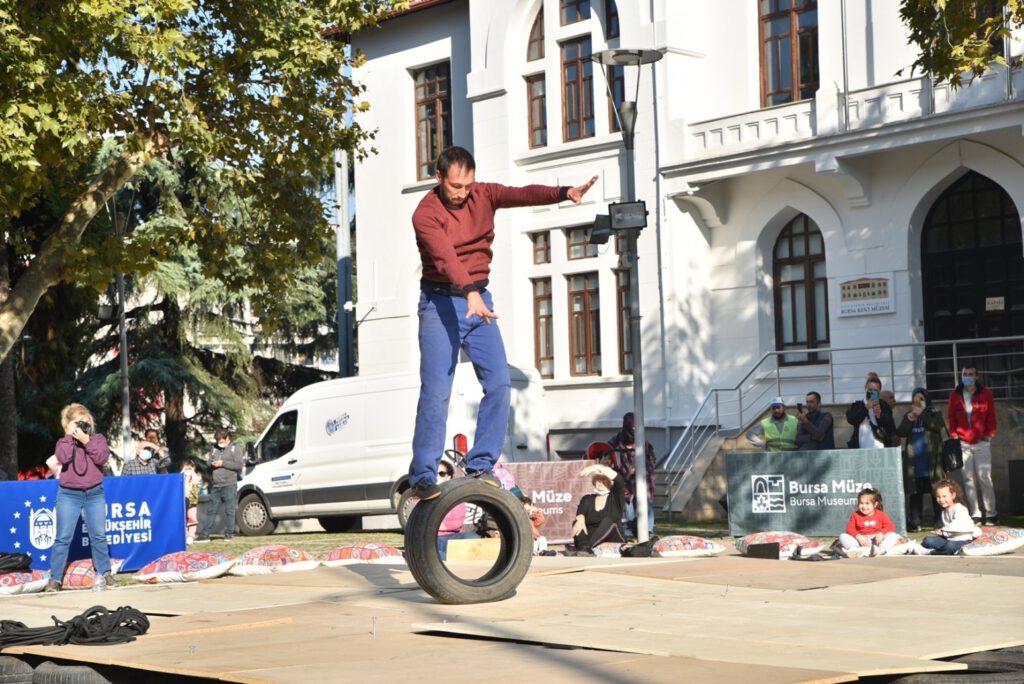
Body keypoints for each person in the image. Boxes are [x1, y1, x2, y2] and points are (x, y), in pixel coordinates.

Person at [407, 146, 597, 501]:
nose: (462, 193)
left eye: (468, 185)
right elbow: (446, 259)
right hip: (440, 305)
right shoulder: (426, 214)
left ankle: (481, 463)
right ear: (439, 177)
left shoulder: (485, 194)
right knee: (436, 392)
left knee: (498, 382)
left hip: (480, 302)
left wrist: (563, 192)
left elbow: (522, 194)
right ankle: (422, 475)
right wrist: (469, 293)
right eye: (455, 186)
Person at [45, 403, 115, 593]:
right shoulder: (63, 442)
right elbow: (63, 458)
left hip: (94, 493)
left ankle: (105, 574)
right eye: (78, 422)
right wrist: (69, 436)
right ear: (69, 424)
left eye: (86, 421)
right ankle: (55, 579)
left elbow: (101, 458)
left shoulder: (98, 439)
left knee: (98, 536)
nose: (83, 425)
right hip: (69, 494)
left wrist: (86, 440)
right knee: (63, 538)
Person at [947, 362, 998, 525]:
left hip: (982, 442)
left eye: (970, 374)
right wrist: (954, 435)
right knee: (968, 480)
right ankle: (975, 513)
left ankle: (991, 513)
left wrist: (989, 435)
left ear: (976, 376)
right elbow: (951, 417)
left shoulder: (986, 393)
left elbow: (991, 415)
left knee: (985, 478)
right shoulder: (954, 394)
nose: (967, 377)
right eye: (965, 374)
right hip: (963, 443)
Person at [896, 387, 945, 532]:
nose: (918, 402)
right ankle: (915, 522)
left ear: (927, 400)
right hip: (915, 463)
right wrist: (910, 419)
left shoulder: (934, 413)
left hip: (932, 462)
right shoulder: (909, 414)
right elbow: (901, 432)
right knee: (915, 494)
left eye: (921, 399)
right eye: (916, 399)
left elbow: (937, 426)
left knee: (936, 492)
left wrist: (922, 413)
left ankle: (939, 521)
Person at [609, 412, 656, 537]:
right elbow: (608, 446)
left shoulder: (641, 437)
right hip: (627, 475)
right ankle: (631, 527)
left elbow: (644, 455)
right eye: (631, 427)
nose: (634, 429)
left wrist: (636, 467)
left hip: (644, 474)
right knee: (628, 500)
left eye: (635, 427)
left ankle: (648, 528)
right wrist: (608, 459)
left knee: (646, 500)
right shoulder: (620, 436)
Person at [194, 428, 244, 542]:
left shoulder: (235, 448)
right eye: (217, 441)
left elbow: (239, 465)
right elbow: (208, 462)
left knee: (229, 510)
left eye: (221, 441)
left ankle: (229, 533)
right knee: (211, 510)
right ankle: (204, 535)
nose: (219, 443)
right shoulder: (214, 448)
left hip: (229, 484)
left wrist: (223, 463)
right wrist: (212, 464)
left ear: (227, 438)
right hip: (216, 484)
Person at [571, 463, 626, 555]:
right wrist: (580, 519)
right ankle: (584, 548)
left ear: (610, 482)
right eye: (597, 479)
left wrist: (597, 467)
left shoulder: (615, 497)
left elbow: (619, 480)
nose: (600, 482)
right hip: (592, 537)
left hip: (612, 536)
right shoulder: (587, 499)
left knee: (608, 521)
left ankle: (587, 548)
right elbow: (580, 513)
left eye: (604, 479)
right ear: (594, 482)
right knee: (577, 522)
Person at [916, 479, 981, 555]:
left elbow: (956, 526)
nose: (941, 500)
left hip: (963, 540)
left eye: (944, 496)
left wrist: (943, 532)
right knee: (927, 540)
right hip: (949, 539)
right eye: (938, 497)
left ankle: (931, 552)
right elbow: (947, 529)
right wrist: (940, 532)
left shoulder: (960, 508)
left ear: (953, 495)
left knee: (949, 546)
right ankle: (944, 550)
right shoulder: (944, 511)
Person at [838, 488, 902, 556]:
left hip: (877, 541)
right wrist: (858, 536)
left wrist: (881, 533)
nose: (864, 506)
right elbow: (850, 529)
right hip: (861, 542)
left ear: (875, 504)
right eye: (861, 503)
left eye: (867, 503)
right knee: (842, 536)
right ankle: (855, 550)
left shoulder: (881, 514)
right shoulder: (855, 515)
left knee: (893, 535)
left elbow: (891, 527)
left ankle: (880, 550)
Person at [845, 372, 896, 449]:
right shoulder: (856, 405)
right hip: (861, 446)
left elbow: (888, 423)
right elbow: (851, 420)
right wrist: (865, 408)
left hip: (880, 446)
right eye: (870, 390)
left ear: (879, 391)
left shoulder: (883, 405)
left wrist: (878, 413)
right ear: (865, 389)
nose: (872, 393)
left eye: (875, 390)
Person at [181, 459, 203, 544]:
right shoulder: (182, 476)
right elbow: (178, 479)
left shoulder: (197, 476)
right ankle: (185, 535)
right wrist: (184, 470)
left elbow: (196, 482)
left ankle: (191, 536)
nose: (188, 470)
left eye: (190, 467)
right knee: (183, 519)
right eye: (187, 467)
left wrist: (192, 471)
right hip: (183, 501)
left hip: (192, 502)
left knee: (192, 519)